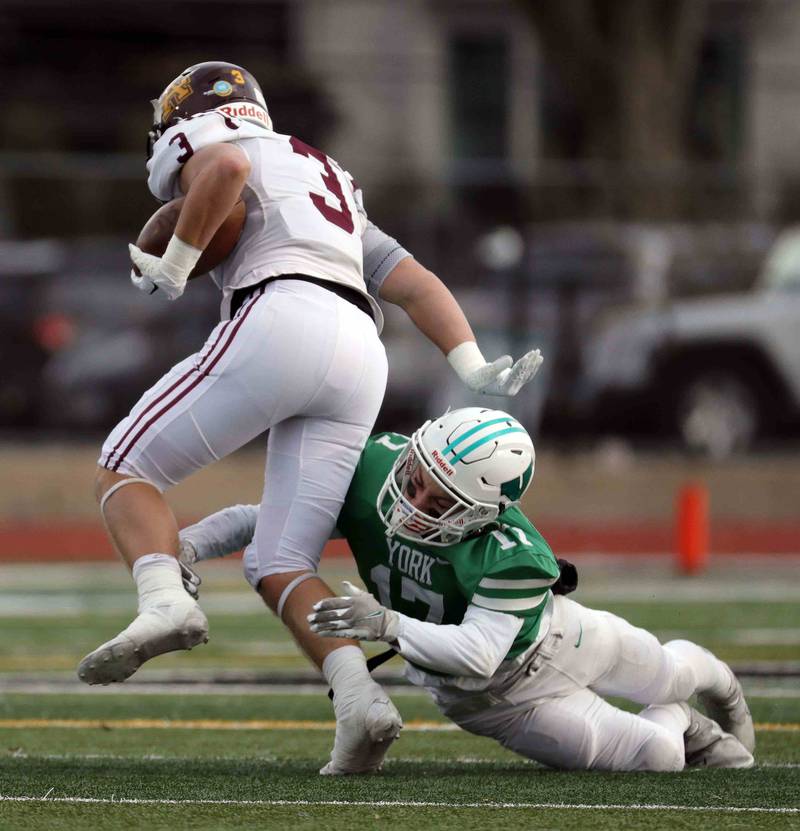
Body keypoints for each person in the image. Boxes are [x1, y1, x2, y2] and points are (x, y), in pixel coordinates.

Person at [79, 62, 544, 775]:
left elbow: (226, 167)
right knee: (281, 559)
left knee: (125, 464)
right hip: (361, 347)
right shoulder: (323, 172)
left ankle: (164, 598)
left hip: (282, 314)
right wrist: (471, 364)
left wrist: (173, 261)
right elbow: (413, 282)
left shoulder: (227, 144)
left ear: (190, 113)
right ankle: (359, 701)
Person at [179, 406, 756, 773]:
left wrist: (386, 625)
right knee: (658, 757)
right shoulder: (377, 470)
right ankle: (685, 723)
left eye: (440, 502)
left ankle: (720, 688)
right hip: (493, 701)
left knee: (670, 673)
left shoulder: (512, 554)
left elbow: (480, 649)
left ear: (484, 514)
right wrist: (183, 547)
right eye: (417, 478)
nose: (413, 501)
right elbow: (269, 516)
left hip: (554, 641)